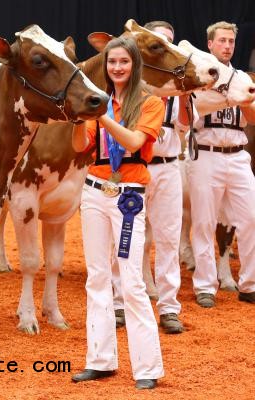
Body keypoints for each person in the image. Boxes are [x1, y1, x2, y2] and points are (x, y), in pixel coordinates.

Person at [70, 37, 165, 390]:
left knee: (131, 280)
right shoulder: (101, 103)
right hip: (94, 192)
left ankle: (147, 368)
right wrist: (82, 118)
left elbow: (135, 143)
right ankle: (100, 360)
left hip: (129, 197)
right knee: (96, 277)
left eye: (124, 61)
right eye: (112, 63)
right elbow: (81, 147)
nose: (117, 68)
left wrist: (100, 116)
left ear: (134, 64)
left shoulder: (151, 103)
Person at [113, 21, 192, 334]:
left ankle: (169, 307)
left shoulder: (178, 84)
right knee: (126, 236)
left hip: (169, 165)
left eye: (168, 41)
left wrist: (185, 93)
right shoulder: (129, 85)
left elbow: (185, 125)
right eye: (158, 41)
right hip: (132, 167)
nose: (165, 46)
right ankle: (120, 303)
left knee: (169, 238)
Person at [189, 21, 255, 308]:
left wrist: (240, 99)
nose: (227, 46)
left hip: (239, 153)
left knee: (251, 219)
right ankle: (205, 285)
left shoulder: (242, 78)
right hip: (206, 151)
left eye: (231, 41)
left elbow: (252, 118)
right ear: (210, 45)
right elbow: (187, 118)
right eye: (222, 41)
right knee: (203, 222)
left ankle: (249, 284)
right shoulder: (198, 78)